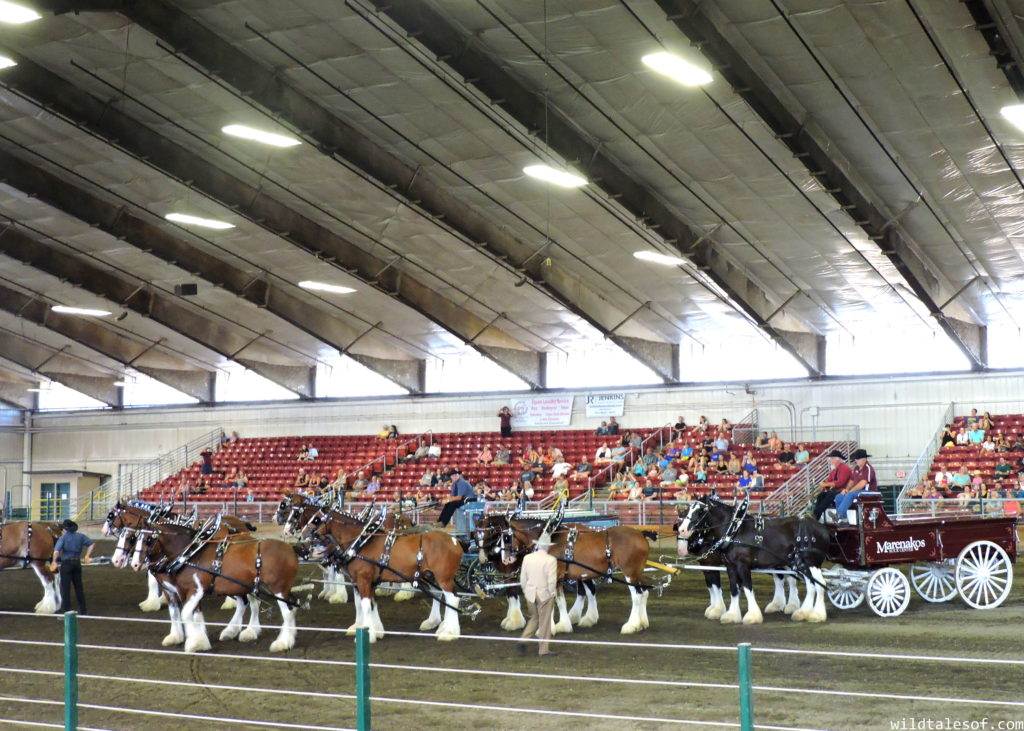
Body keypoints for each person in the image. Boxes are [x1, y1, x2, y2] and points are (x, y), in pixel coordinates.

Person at [518, 531, 558, 657]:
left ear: (538, 545)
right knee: (545, 622)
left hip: (530, 594)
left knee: (534, 618)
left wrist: (526, 590)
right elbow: (552, 580)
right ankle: (543, 650)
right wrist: (552, 593)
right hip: (544, 594)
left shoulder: (527, 558)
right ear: (548, 547)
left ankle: (523, 640)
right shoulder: (551, 560)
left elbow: (523, 578)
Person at [51, 519, 94, 615]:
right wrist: (87, 556)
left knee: (65, 589)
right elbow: (91, 544)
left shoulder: (63, 538)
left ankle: (66, 611)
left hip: (66, 564)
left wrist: (54, 562)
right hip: (77, 563)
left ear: (65, 529)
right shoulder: (81, 536)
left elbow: (56, 551)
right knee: (79, 588)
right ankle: (84, 611)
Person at [833, 448, 877, 520]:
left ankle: (839, 514)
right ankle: (844, 520)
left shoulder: (868, 468)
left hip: (868, 491)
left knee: (850, 494)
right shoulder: (856, 468)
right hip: (858, 492)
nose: (856, 460)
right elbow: (851, 480)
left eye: (857, 459)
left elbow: (863, 483)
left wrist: (850, 491)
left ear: (864, 459)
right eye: (856, 459)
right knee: (839, 497)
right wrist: (846, 490)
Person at [814, 450, 852, 520]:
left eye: (831, 458)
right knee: (821, 495)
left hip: (843, 490)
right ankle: (817, 516)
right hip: (836, 490)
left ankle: (816, 513)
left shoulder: (845, 468)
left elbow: (840, 483)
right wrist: (825, 485)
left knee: (830, 495)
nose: (830, 460)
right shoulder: (834, 470)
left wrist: (826, 484)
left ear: (836, 459)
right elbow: (829, 480)